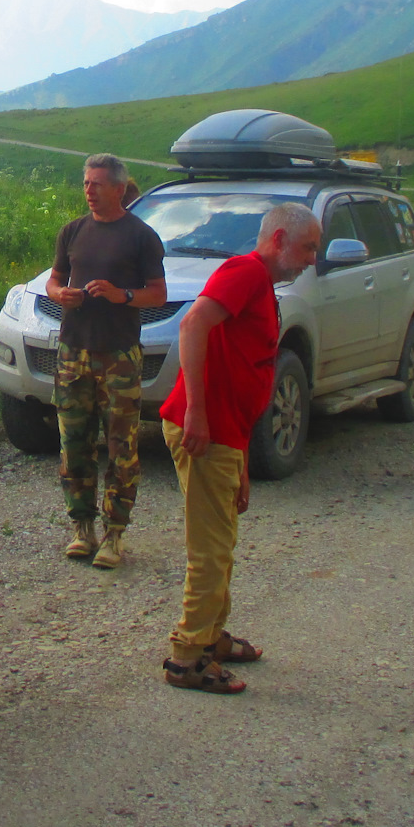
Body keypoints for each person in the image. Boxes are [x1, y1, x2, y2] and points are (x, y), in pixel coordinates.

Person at [158, 202, 320, 693]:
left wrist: (243, 462)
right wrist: (198, 412)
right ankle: (189, 658)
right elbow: (193, 325)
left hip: (228, 434)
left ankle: (211, 637)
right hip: (205, 429)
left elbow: (245, 374)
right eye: (308, 247)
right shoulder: (245, 271)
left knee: (223, 542)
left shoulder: (262, 288)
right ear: (277, 240)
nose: (313, 258)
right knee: (209, 549)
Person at [47, 154, 167, 569]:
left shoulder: (141, 236)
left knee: (121, 447)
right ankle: (82, 528)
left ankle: (115, 533)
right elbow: (54, 278)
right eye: (85, 183)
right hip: (72, 352)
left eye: (97, 184)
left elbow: (159, 293)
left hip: (118, 356)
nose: (89, 191)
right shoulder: (72, 232)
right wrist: (59, 294)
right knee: (74, 443)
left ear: (118, 188)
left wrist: (123, 296)